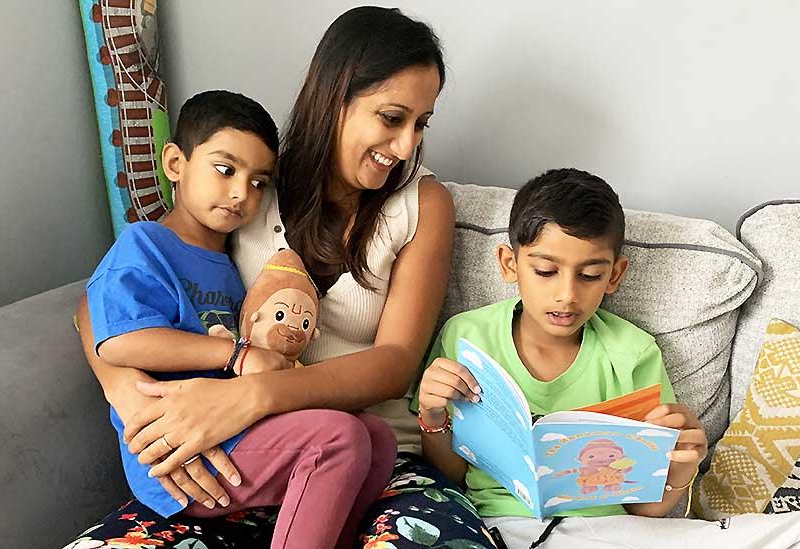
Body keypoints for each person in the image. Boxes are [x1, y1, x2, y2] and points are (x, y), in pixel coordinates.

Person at [71, 6, 498, 548]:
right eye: (392, 118)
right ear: (334, 96)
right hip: (236, 445)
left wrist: (254, 394)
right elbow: (107, 294)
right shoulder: (252, 184)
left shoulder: (422, 203)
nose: (407, 146)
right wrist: (127, 394)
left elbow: (393, 365)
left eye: (421, 123)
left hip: (375, 456)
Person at [84, 89, 397, 549]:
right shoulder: (145, 244)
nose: (240, 193)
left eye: (258, 182)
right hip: (179, 450)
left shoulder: (229, 264)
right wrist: (237, 353)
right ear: (175, 164)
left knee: (377, 438)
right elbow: (119, 341)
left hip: (233, 429)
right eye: (225, 169)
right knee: (339, 438)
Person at [415, 169, 709, 545]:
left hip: (609, 532)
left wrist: (681, 469)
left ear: (614, 276)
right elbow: (451, 475)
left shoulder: (633, 353)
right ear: (509, 264)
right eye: (545, 271)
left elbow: (644, 509)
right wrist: (432, 415)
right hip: (499, 524)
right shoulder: (467, 336)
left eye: (588, 276)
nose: (567, 294)